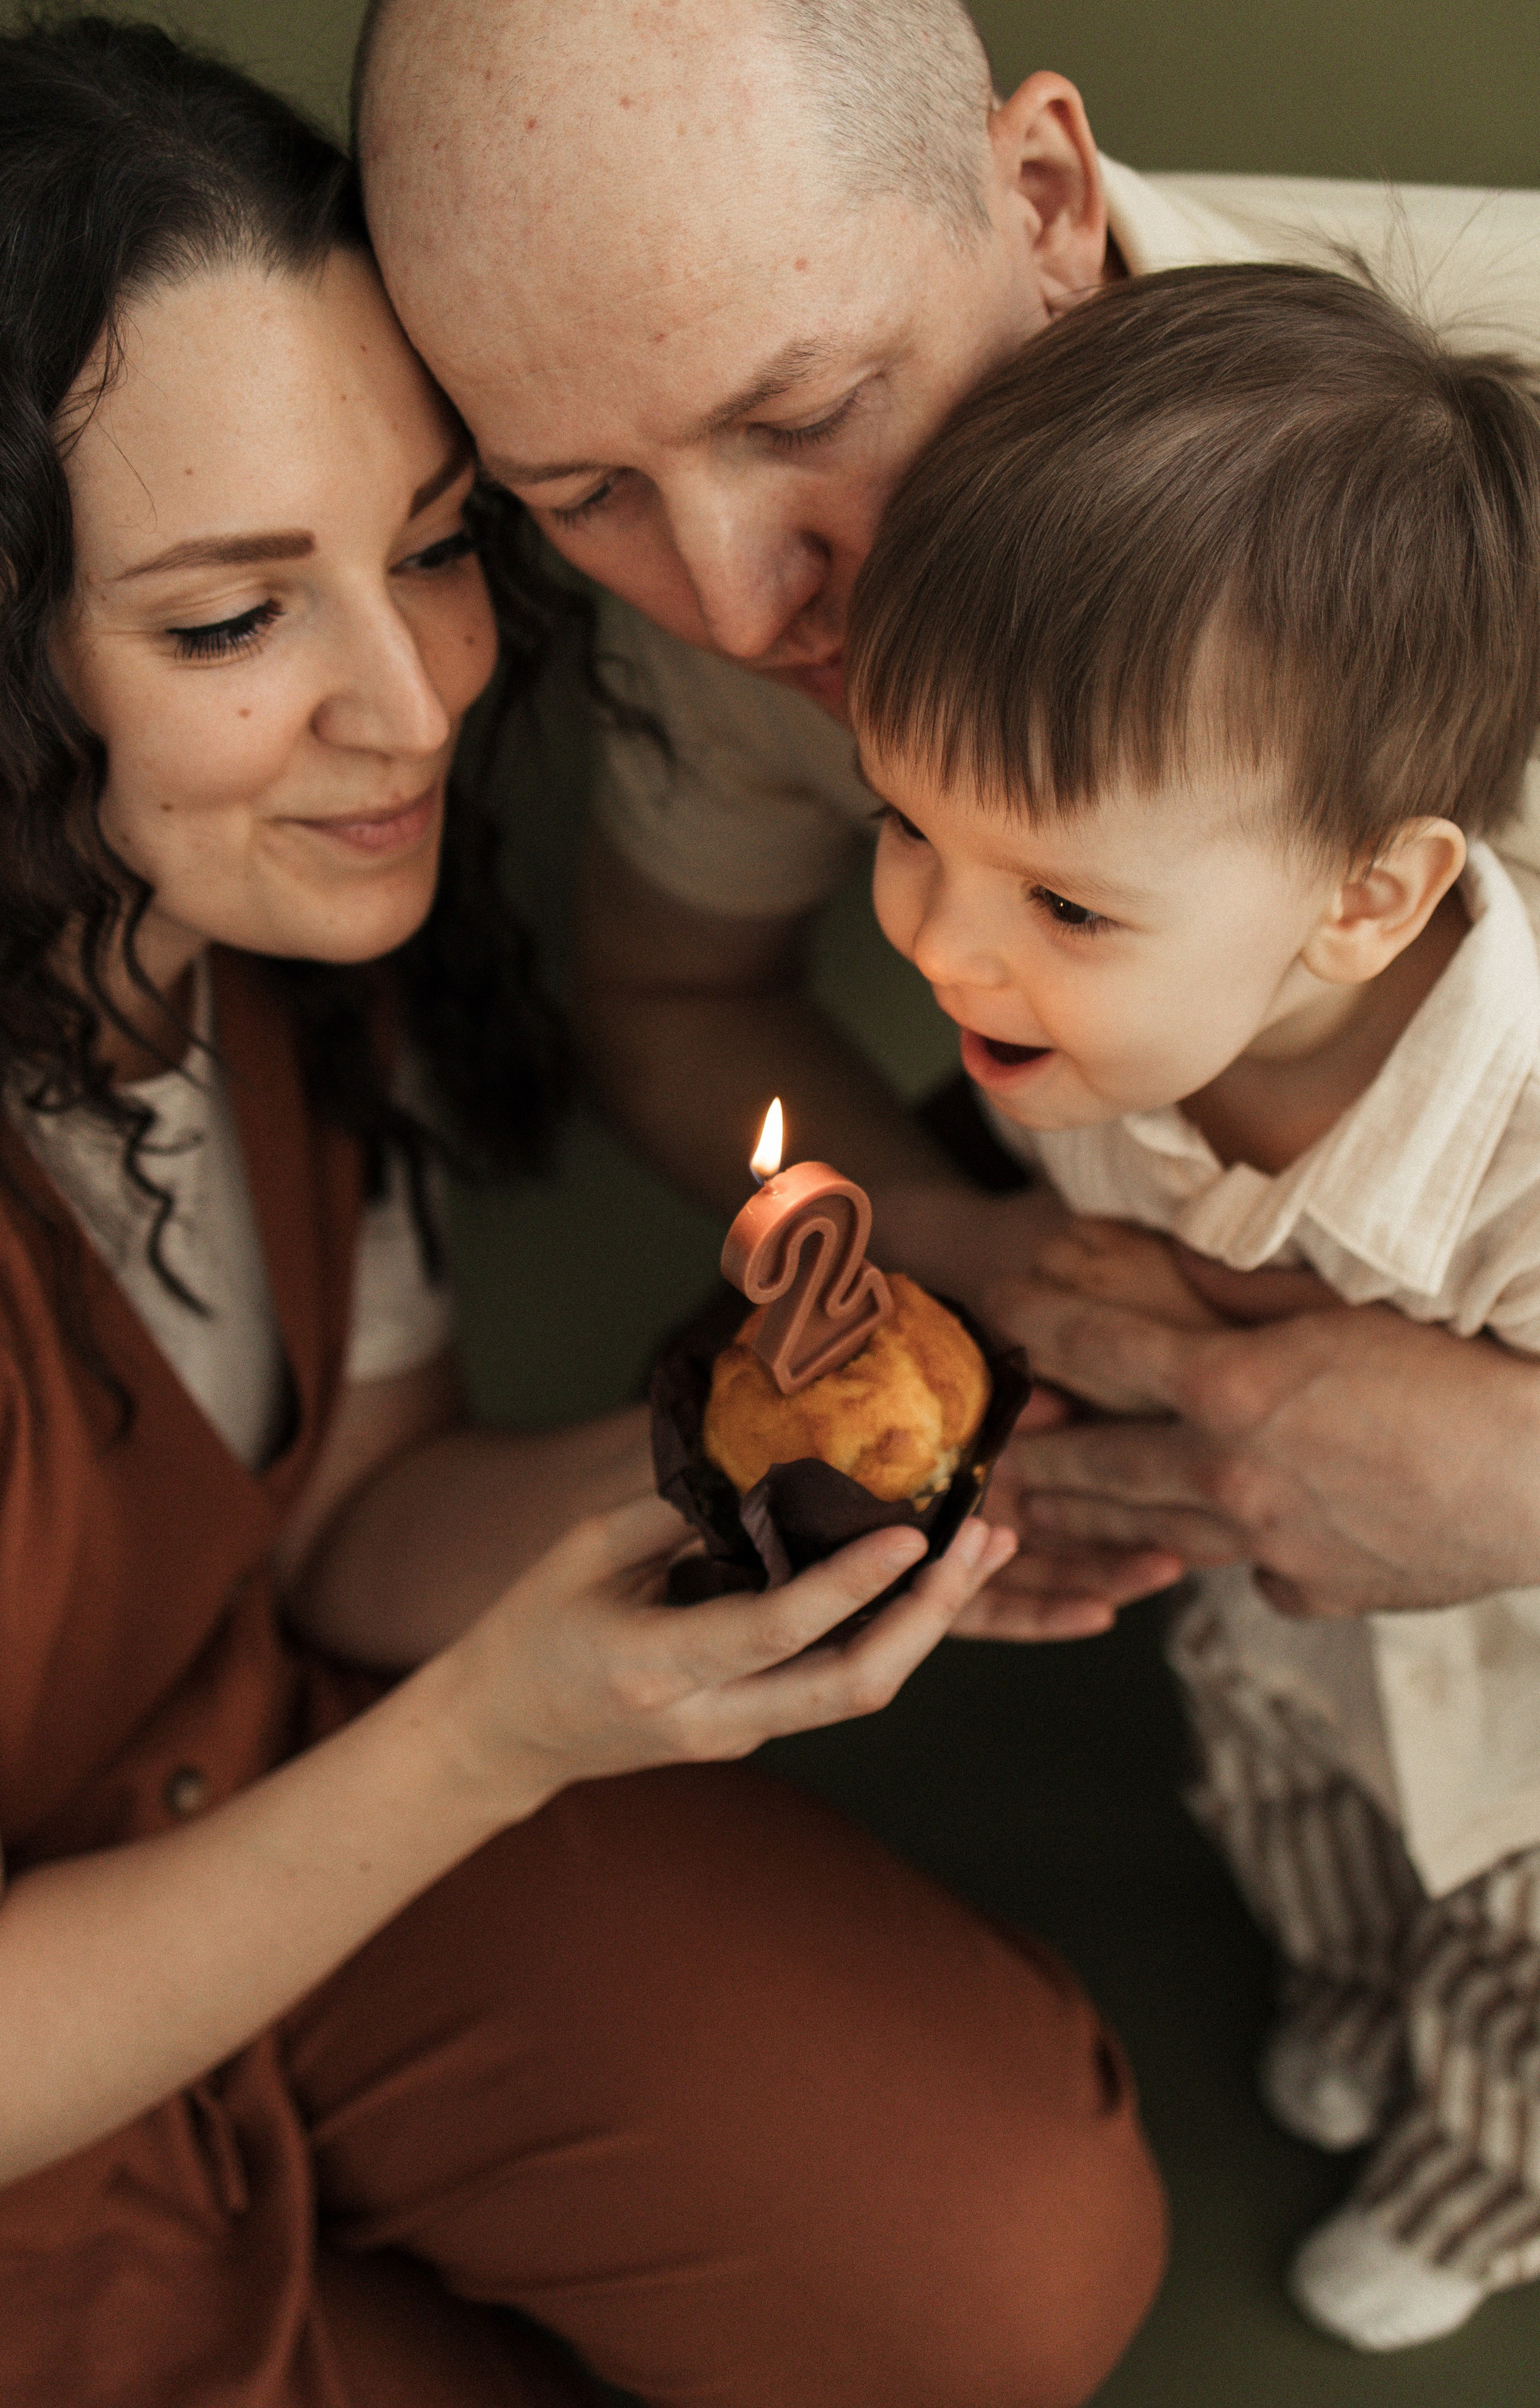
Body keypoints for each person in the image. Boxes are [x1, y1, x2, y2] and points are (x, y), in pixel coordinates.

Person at [0, 17, 1169, 2407]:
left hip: (266, 1776)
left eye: (429, 549)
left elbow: (353, 1529)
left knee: (1009, 2236)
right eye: (224, 623)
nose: (415, 705)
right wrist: (497, 1736)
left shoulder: (242, 933)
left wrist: (769, 1443)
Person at [355, 0, 1540, 1634]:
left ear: (1044, 197)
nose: (736, 604)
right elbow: (676, 995)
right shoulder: (730, 567)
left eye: (804, 413)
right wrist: (955, 1258)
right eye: (580, 497)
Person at [844, 256, 1540, 2351]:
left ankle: (1486, 2175)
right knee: (1282, 1814)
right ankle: (1342, 1987)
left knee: (1520, 1967)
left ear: (1368, 893)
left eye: (1059, 899)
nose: (946, 948)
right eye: (903, 821)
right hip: (1264, 1613)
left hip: (1519, 1706)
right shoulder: (1095, 1033)